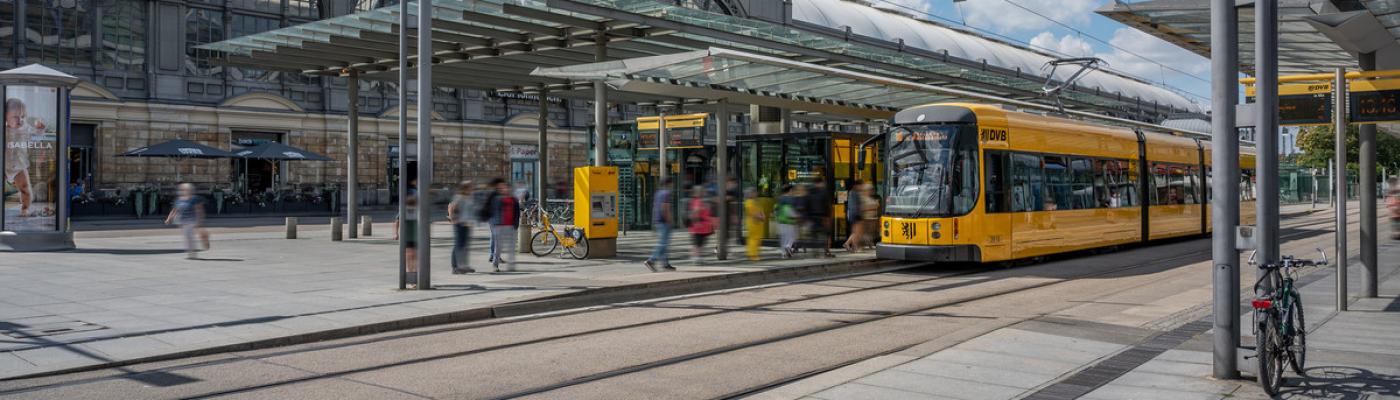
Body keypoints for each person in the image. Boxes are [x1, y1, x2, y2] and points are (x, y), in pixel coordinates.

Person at [5, 98, 44, 218]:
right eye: (15, 117)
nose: (20, 120)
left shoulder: (26, 128)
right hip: (3, 165)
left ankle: (25, 208)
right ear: (5, 116)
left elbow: (37, 134)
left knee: (26, 188)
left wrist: (40, 129)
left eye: (23, 116)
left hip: (19, 166)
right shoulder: (3, 129)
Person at [164, 183, 208, 260]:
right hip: (183, 221)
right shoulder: (179, 200)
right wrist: (169, 218)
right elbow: (175, 210)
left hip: (192, 220)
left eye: (187, 190)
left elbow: (199, 210)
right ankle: (192, 251)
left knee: (189, 236)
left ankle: (192, 253)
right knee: (187, 237)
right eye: (183, 190)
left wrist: (199, 220)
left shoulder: (195, 199)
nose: (185, 191)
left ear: (191, 190)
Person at [486, 179, 520, 272]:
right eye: (502, 187)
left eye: (506, 187)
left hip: (511, 226)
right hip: (499, 226)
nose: (504, 189)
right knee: (498, 248)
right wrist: (494, 224)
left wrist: (516, 223)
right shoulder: (496, 199)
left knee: (512, 247)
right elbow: (492, 212)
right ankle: (495, 265)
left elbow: (517, 213)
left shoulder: (514, 200)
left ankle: (511, 266)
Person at [644, 178, 675, 272]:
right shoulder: (666, 193)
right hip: (664, 221)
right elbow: (665, 208)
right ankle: (651, 260)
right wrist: (669, 220)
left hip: (658, 221)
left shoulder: (658, 193)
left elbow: (655, 208)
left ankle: (665, 264)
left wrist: (654, 222)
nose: (672, 186)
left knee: (663, 243)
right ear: (669, 184)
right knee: (663, 243)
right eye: (671, 184)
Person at [447, 181, 476, 274]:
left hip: (467, 224)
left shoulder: (470, 197)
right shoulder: (458, 197)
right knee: (458, 245)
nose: (472, 188)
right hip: (459, 224)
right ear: (465, 188)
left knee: (465, 245)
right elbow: (450, 206)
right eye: (470, 187)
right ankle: (455, 267)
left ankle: (464, 266)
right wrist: (452, 218)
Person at [687, 185, 716, 265]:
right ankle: (696, 258)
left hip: (702, 227)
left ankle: (698, 257)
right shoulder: (697, 201)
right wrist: (697, 222)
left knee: (700, 242)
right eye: (702, 191)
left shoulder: (699, 200)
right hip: (698, 227)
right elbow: (695, 212)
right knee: (697, 243)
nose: (704, 192)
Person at [394, 195, 419, 286]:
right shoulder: (404, 211)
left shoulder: (417, 211)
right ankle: (412, 277)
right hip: (410, 237)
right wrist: (396, 233)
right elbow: (397, 222)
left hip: (412, 237)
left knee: (412, 257)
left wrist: (396, 233)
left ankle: (413, 276)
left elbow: (396, 222)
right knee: (412, 257)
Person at [805, 181, 834, 257]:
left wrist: (807, 217)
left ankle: (815, 252)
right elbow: (827, 206)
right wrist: (828, 217)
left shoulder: (809, 193)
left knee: (814, 235)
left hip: (812, 217)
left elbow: (806, 206)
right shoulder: (823, 193)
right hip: (822, 217)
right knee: (826, 234)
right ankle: (826, 251)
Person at [775, 184, 802, 259]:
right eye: (792, 190)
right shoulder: (792, 199)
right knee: (792, 236)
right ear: (790, 190)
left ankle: (783, 254)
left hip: (781, 220)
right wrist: (797, 216)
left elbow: (776, 209)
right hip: (790, 220)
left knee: (783, 238)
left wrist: (777, 218)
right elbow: (794, 209)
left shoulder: (779, 199)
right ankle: (788, 247)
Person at [471, 182, 495, 263]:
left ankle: (493, 254)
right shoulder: (492, 194)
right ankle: (493, 255)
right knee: (495, 237)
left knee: (494, 236)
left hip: (492, 217)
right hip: (493, 217)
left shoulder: (489, 194)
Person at [743, 188, 766, 261]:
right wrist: (761, 217)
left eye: (756, 192)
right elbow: (753, 213)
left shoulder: (756, 202)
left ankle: (755, 253)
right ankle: (752, 255)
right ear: (750, 194)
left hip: (758, 223)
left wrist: (762, 216)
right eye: (754, 192)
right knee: (753, 238)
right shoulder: (749, 202)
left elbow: (760, 210)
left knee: (758, 239)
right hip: (753, 223)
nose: (756, 194)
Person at [842, 180, 864, 252]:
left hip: (852, 214)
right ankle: (854, 246)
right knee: (857, 232)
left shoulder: (851, 193)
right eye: (861, 185)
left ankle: (849, 244)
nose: (861, 187)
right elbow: (857, 206)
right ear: (857, 185)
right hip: (856, 214)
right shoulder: (855, 193)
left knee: (855, 232)